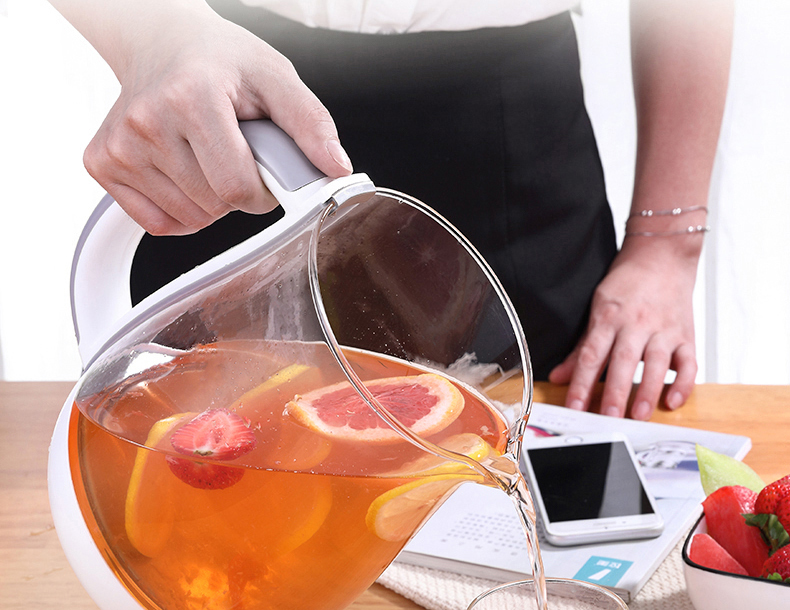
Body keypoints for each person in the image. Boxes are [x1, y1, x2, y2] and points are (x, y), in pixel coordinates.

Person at [47, 0, 733, 419]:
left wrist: (667, 247)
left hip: (509, 141)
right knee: (199, 473)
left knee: (523, 472)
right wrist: (152, 33)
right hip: (229, 108)